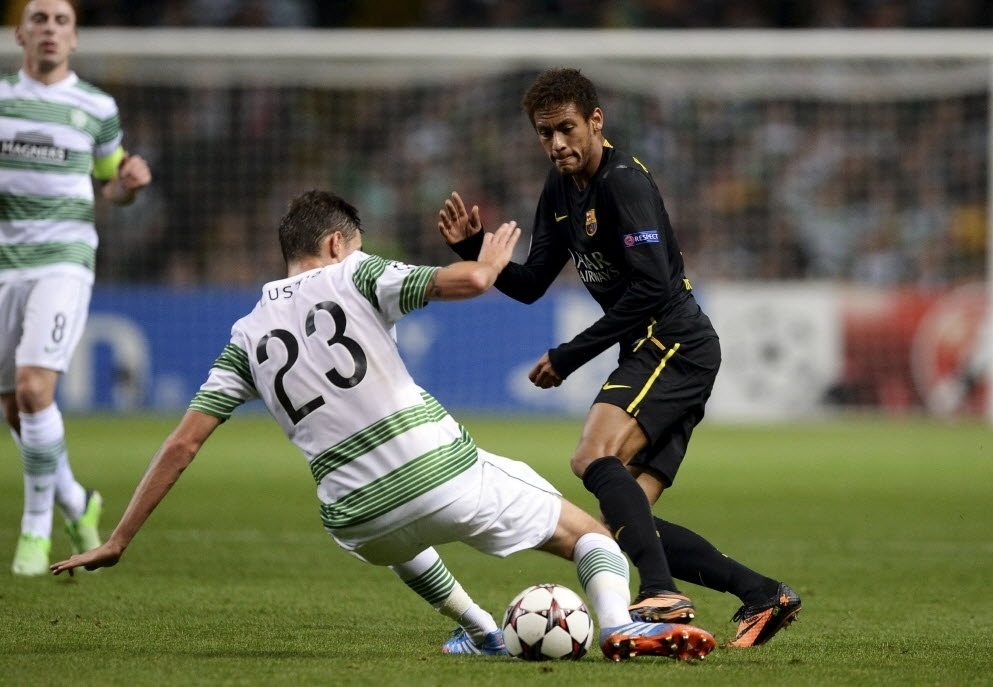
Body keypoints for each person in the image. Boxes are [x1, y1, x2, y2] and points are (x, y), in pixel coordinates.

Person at [50, 190, 716, 662]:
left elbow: (183, 442)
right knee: (591, 533)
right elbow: (458, 282)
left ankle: (483, 630)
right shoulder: (356, 273)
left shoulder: (244, 335)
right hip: (443, 477)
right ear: (337, 243)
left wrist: (119, 538)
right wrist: (484, 266)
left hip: (357, 522)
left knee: (390, 526)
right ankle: (619, 624)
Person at [438, 67, 801, 648]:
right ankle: (764, 594)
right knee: (619, 529)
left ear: (595, 122)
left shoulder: (623, 181)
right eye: (544, 133)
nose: (557, 144)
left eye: (566, 129)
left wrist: (571, 355)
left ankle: (660, 591)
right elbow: (532, 282)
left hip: (673, 341)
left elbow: (654, 288)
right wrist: (472, 251)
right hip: (659, 346)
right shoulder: (559, 191)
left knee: (591, 455)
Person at [1, 0, 152, 576]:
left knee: (36, 389)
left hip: (63, 260)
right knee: (17, 410)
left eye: (61, 21)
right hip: (4, 264)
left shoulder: (96, 107)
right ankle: (76, 502)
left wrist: (128, 186)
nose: (50, 30)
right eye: (39, 19)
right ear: (20, 33)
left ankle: (35, 532)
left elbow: (110, 186)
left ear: (74, 38)